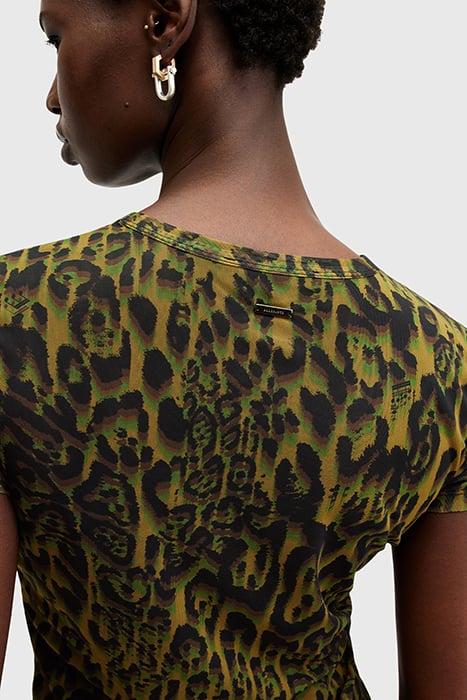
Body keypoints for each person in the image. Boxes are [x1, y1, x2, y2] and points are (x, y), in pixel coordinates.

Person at [0, 0, 465, 697]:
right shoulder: (435, 361)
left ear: (165, 20)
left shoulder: (23, 314)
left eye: (54, 38)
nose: (50, 95)